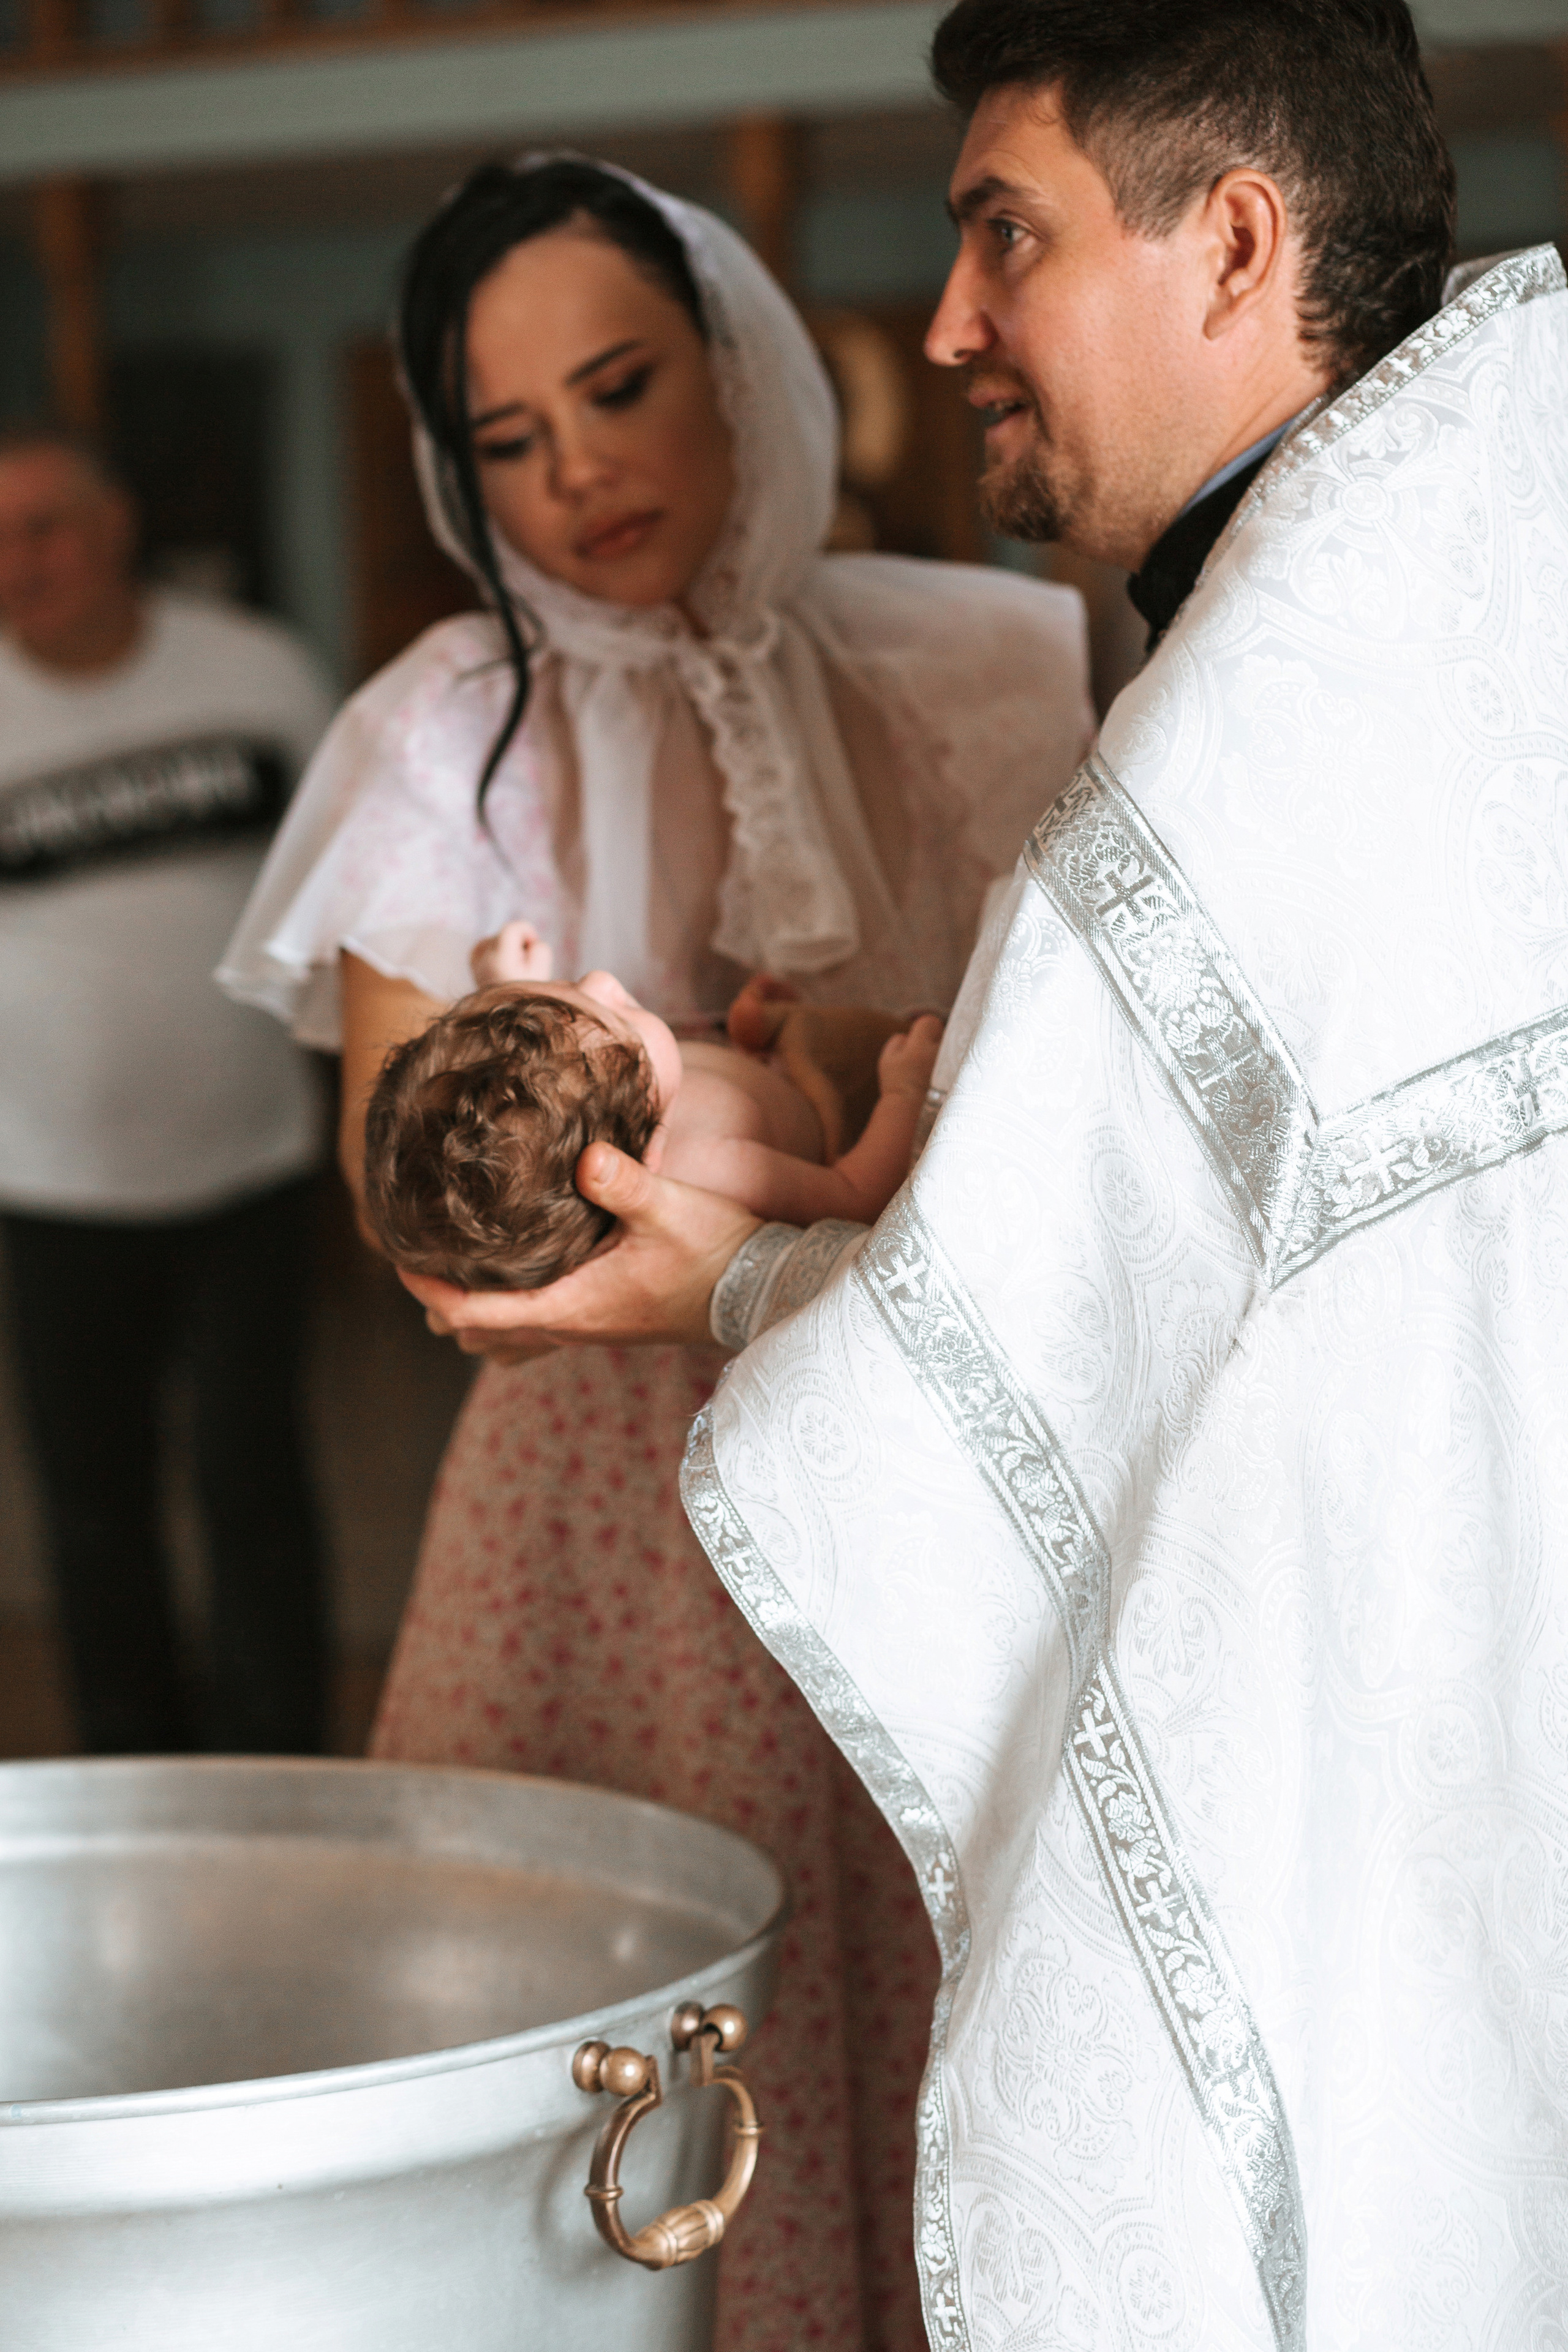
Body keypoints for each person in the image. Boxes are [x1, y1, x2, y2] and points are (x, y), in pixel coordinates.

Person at [394, 6, 1568, 2346]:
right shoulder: (1470, 533)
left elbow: (1061, 1351)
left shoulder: (1255, 717)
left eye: (1000, 234)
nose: (945, 324)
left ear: (1230, 244)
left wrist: (719, 1284)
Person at [221, 156, 1091, 2349]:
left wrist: (810, 1154)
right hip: (596, 1489)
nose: (575, 470)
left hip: (906, 1422)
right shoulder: (439, 731)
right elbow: (402, 1206)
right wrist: (582, 1100)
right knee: (627, 2005)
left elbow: (1058, 1122)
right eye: (504, 439)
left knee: (924, 1977)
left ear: (738, 372)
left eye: (615, 390)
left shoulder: (967, 665)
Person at [0, 424, 334, 1755]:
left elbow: (353, 884)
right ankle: (132, 1767)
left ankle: (284, 1757)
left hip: (249, 1159)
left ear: (115, 525)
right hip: (47, 1178)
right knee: (92, 1497)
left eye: (46, 526)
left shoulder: (256, 672)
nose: (20, 561)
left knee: (253, 1471)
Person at [362, 935, 944, 1289]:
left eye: (569, 990)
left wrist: (507, 985)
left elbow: (530, 1090)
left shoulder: (584, 1118)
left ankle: (754, 1041)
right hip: (835, 1114)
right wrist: (904, 1090)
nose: (603, 979)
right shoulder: (709, 1165)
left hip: (749, 1069)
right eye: (612, 1011)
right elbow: (855, 1195)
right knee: (865, 1049)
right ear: (644, 1156)